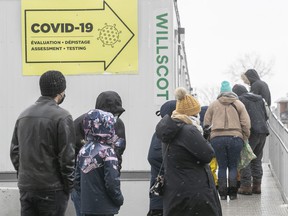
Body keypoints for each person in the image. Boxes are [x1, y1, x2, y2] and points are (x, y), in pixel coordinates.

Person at [10, 70, 75, 216]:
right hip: (52, 189)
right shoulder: (62, 116)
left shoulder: (23, 115)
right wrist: (69, 186)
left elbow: (14, 152)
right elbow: (67, 157)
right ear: (61, 91)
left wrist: (25, 176)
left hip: (27, 187)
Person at [155, 87, 222, 216]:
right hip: (193, 190)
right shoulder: (188, 130)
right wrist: (204, 138)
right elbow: (208, 154)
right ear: (191, 114)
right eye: (197, 113)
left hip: (177, 189)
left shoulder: (171, 128)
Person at [72, 90, 126, 216]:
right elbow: (69, 156)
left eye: (117, 114)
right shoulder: (79, 124)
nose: (113, 118)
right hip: (86, 186)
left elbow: (119, 154)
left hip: (100, 185)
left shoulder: (118, 124)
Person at [204, 81, 251, 200]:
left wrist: (209, 136)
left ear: (221, 92)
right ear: (231, 91)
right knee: (233, 166)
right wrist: (244, 136)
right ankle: (233, 193)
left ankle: (223, 194)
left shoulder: (213, 104)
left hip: (217, 139)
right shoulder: (239, 104)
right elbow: (246, 123)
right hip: (235, 138)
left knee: (222, 166)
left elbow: (206, 123)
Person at [232, 84, 269, 195]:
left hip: (251, 131)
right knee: (257, 159)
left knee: (245, 158)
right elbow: (266, 116)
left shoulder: (241, 100)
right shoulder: (259, 99)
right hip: (262, 131)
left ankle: (246, 186)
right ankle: (257, 186)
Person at [147, 100, 176, 216]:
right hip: (162, 200)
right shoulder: (164, 133)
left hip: (164, 199)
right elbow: (154, 157)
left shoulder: (165, 131)